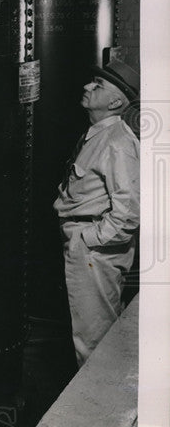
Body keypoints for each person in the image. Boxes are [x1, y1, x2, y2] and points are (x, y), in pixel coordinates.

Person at [53, 59, 140, 366]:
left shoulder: (118, 143)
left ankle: (98, 413)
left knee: (95, 341)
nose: (88, 86)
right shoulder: (97, 134)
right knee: (88, 336)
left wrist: (88, 238)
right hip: (85, 247)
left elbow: (128, 213)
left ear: (116, 101)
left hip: (95, 253)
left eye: (98, 85)